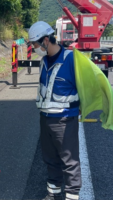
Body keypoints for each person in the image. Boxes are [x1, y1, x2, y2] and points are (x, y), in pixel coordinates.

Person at [28, 21, 82, 200]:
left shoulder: (71, 59)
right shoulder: (43, 62)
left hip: (65, 119)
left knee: (69, 160)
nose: (34, 48)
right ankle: (52, 194)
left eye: (35, 44)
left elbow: (87, 86)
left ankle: (72, 196)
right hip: (45, 118)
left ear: (45, 40)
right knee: (50, 159)